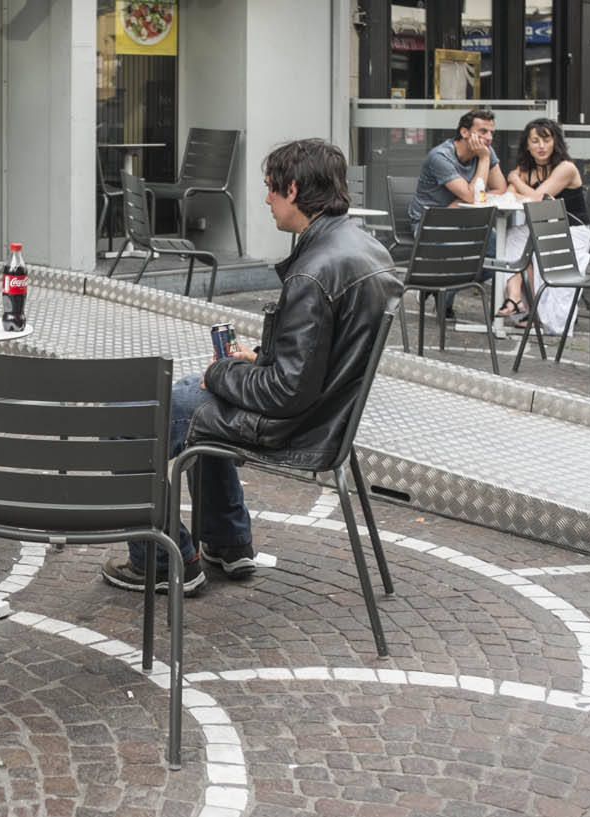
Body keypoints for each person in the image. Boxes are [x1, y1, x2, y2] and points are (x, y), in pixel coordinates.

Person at [102, 138, 401, 595]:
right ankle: (227, 541)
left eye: (270, 189)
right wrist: (257, 360)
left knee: (132, 414)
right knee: (194, 399)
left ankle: (162, 562)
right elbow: (319, 354)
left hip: (296, 426)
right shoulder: (364, 247)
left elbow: (285, 392)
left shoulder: (313, 271)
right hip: (328, 415)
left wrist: (223, 374)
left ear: (294, 189)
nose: (266, 200)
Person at [408, 109, 506, 320]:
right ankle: (441, 291)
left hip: (465, 221)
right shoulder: (440, 156)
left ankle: (439, 287)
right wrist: (483, 160)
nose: (488, 138)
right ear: (464, 132)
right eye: (482, 131)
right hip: (431, 223)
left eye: (491, 133)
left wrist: (460, 202)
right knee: (457, 255)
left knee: (502, 254)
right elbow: (473, 196)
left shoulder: (486, 151)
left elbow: (500, 188)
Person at [496, 118, 590, 334]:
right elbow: (511, 194)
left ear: (555, 141)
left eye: (546, 140)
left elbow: (539, 198)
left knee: (555, 324)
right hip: (541, 228)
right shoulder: (528, 170)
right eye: (535, 141)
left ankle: (542, 314)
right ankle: (515, 298)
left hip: (572, 231)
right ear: (527, 145)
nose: (541, 146)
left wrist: (515, 180)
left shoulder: (566, 168)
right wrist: (517, 187)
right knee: (512, 239)